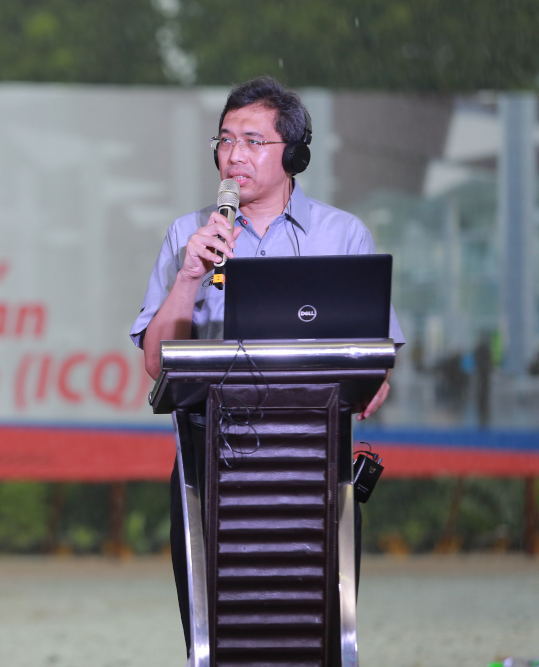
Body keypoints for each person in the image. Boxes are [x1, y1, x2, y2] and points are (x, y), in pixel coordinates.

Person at [128, 75, 405, 657]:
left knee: (317, 631)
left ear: (294, 153)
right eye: (224, 140)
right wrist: (187, 278)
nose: (233, 156)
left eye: (252, 141)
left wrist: (372, 382)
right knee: (220, 635)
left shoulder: (341, 234)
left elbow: (376, 364)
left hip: (313, 459)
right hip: (212, 459)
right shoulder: (189, 234)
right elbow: (157, 364)